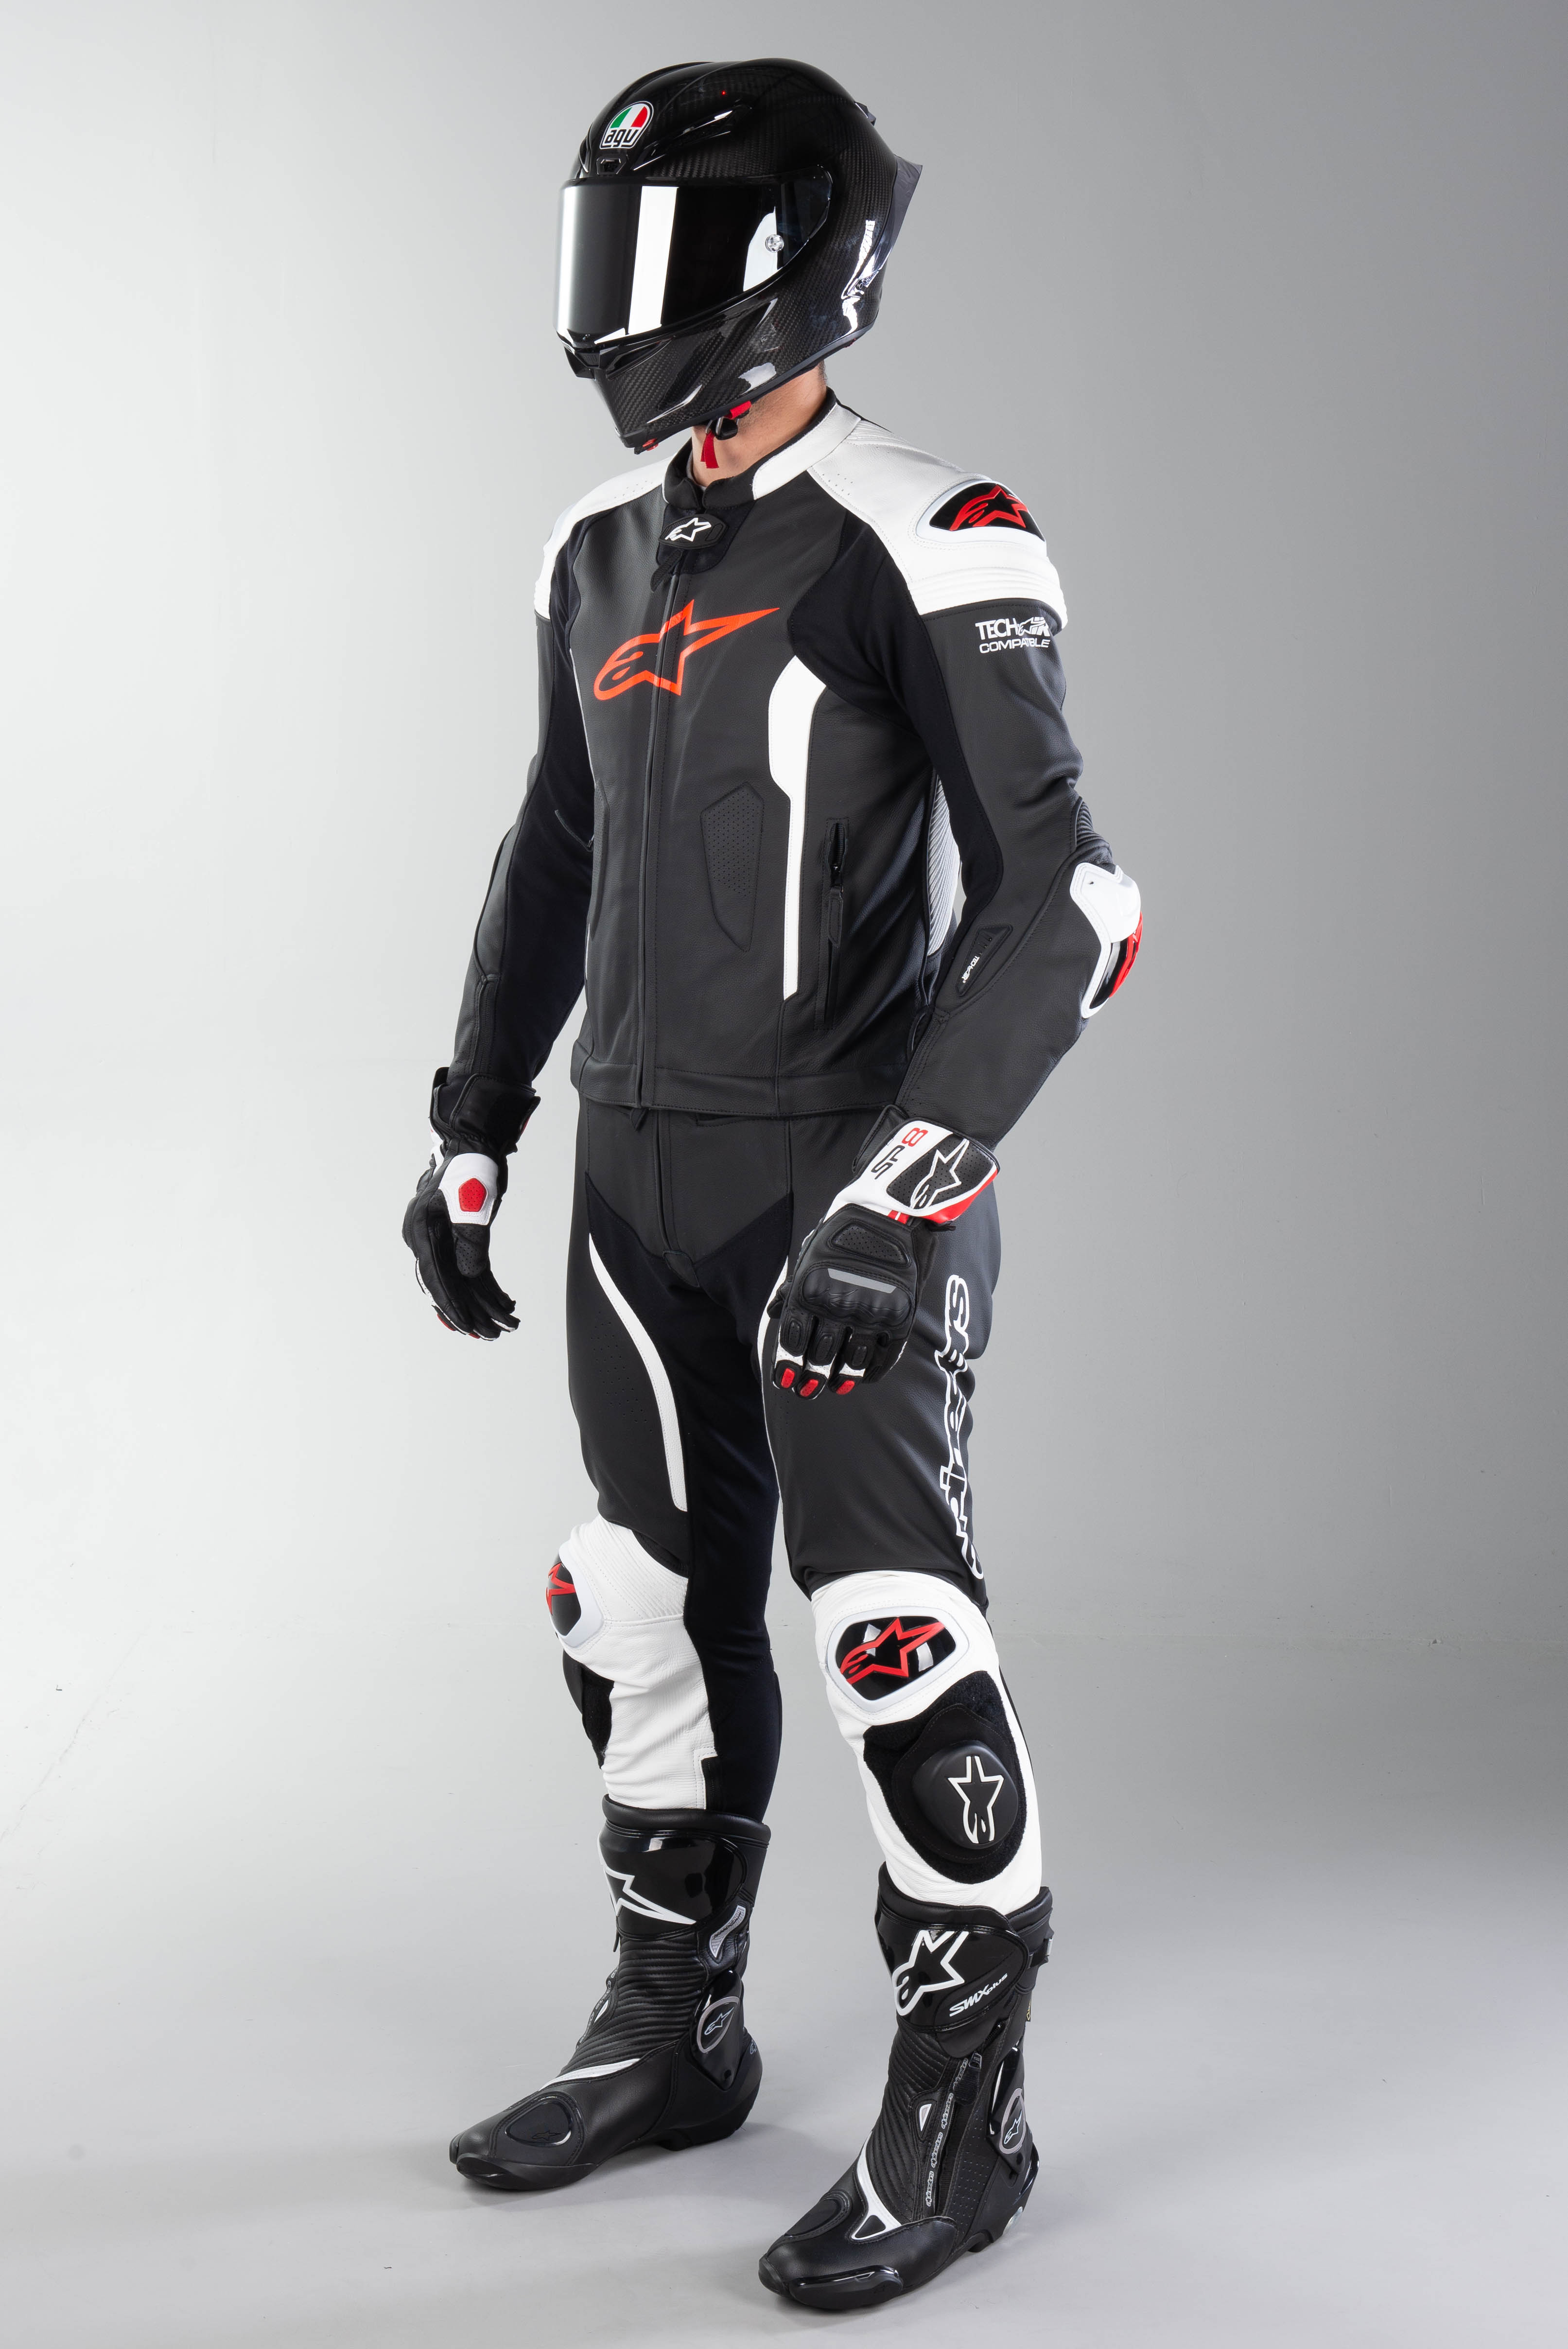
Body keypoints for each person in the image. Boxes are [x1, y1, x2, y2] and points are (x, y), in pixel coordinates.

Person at [402, 56, 1141, 2313]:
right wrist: (472, 1121)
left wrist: (905, 1192)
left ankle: (966, 2105)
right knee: (634, 1600)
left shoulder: (936, 526)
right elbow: (554, 851)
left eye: (669, 254)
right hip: (631, 1171)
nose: (619, 306)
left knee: (889, 1627)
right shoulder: (591, 546)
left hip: (842, 1182)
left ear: (799, 263)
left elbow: (1072, 898)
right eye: (606, 251)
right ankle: (676, 2024)